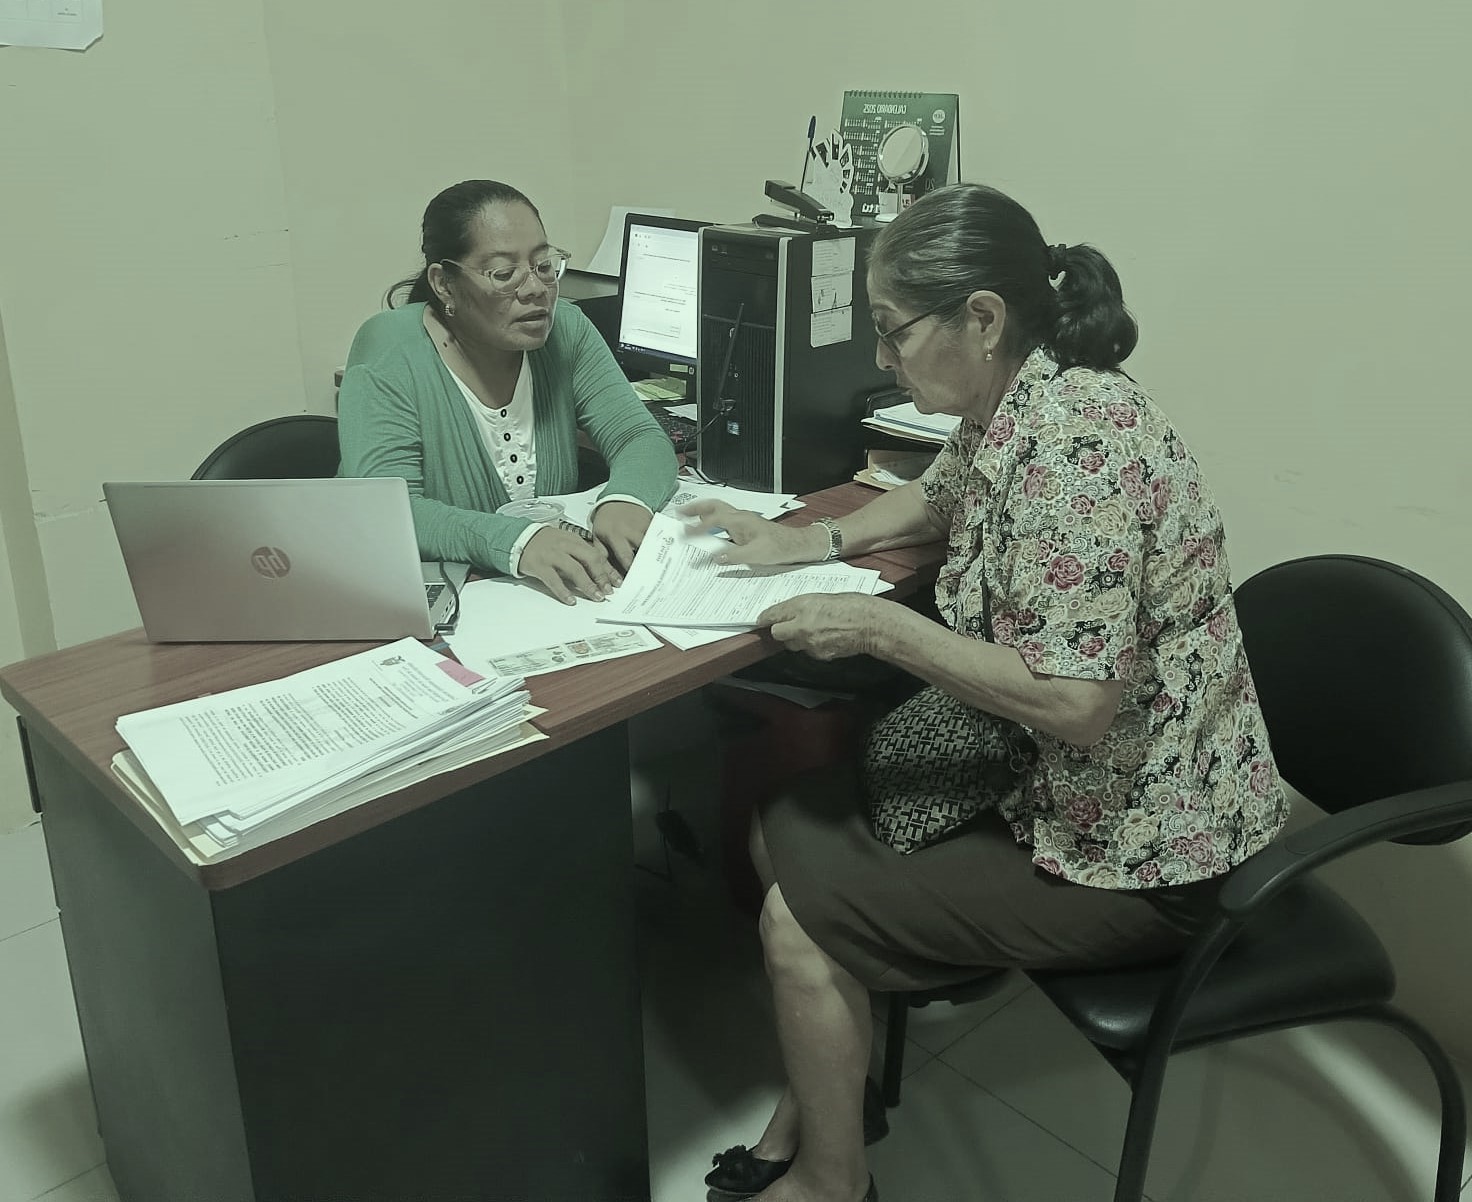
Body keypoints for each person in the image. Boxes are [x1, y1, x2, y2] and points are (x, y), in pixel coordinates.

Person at [687, 182, 1288, 1202]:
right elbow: (941, 491)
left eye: (891, 330)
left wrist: (881, 626)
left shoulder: (1078, 449)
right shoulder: (1021, 395)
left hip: (1149, 847)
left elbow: (1077, 705)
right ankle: (830, 1089)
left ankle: (833, 1179)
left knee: (795, 913)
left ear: (981, 317)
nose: (882, 357)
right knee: (781, 820)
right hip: (1064, 780)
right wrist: (809, 541)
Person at [337, 180, 678, 604]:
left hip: (548, 598)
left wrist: (626, 499)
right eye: (503, 274)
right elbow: (388, 510)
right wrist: (517, 542)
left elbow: (638, 436)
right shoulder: (390, 349)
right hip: (440, 606)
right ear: (444, 284)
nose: (535, 288)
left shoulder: (566, 329)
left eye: (543, 265)